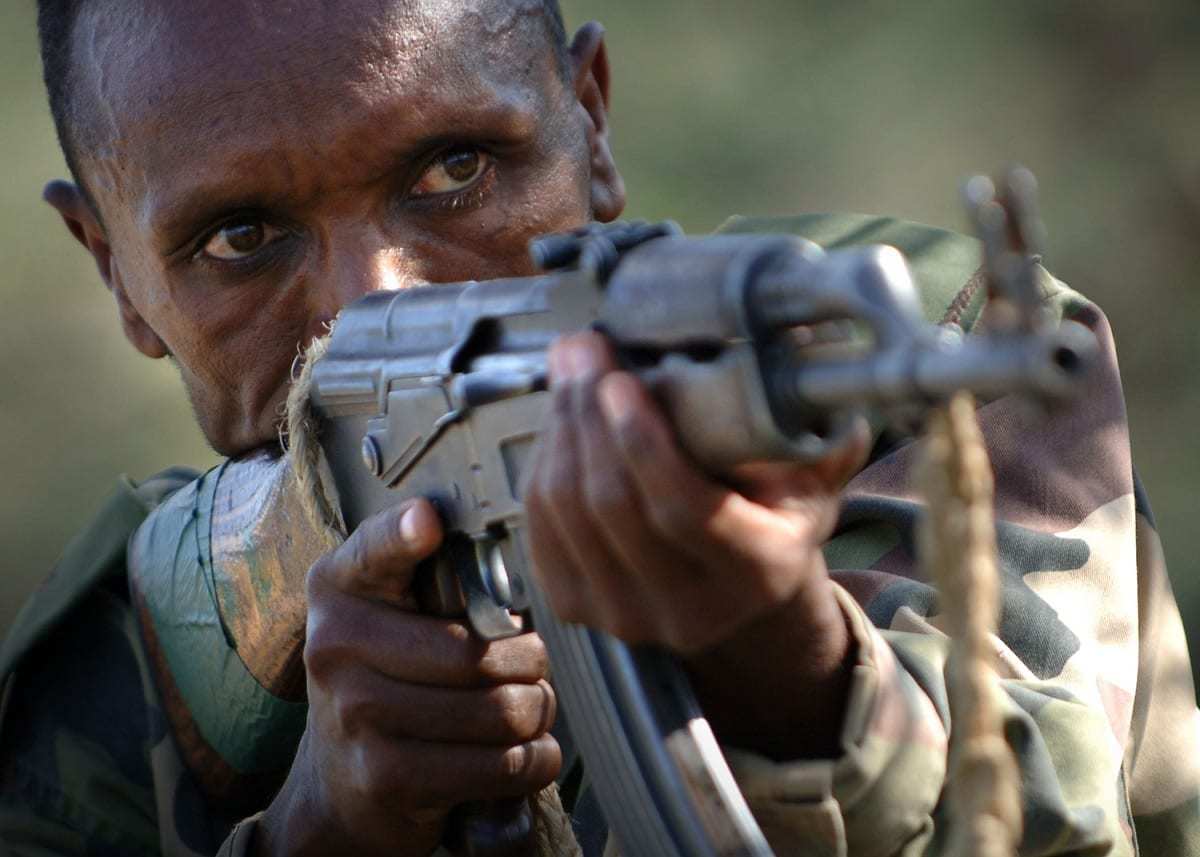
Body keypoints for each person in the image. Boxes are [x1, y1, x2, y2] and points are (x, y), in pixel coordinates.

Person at [1, 1, 1196, 855]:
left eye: (457, 165)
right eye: (241, 239)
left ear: (590, 119)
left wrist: (790, 664)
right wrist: (325, 826)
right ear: (114, 273)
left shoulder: (902, 362)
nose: (376, 302)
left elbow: (1060, 819)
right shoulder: (120, 659)